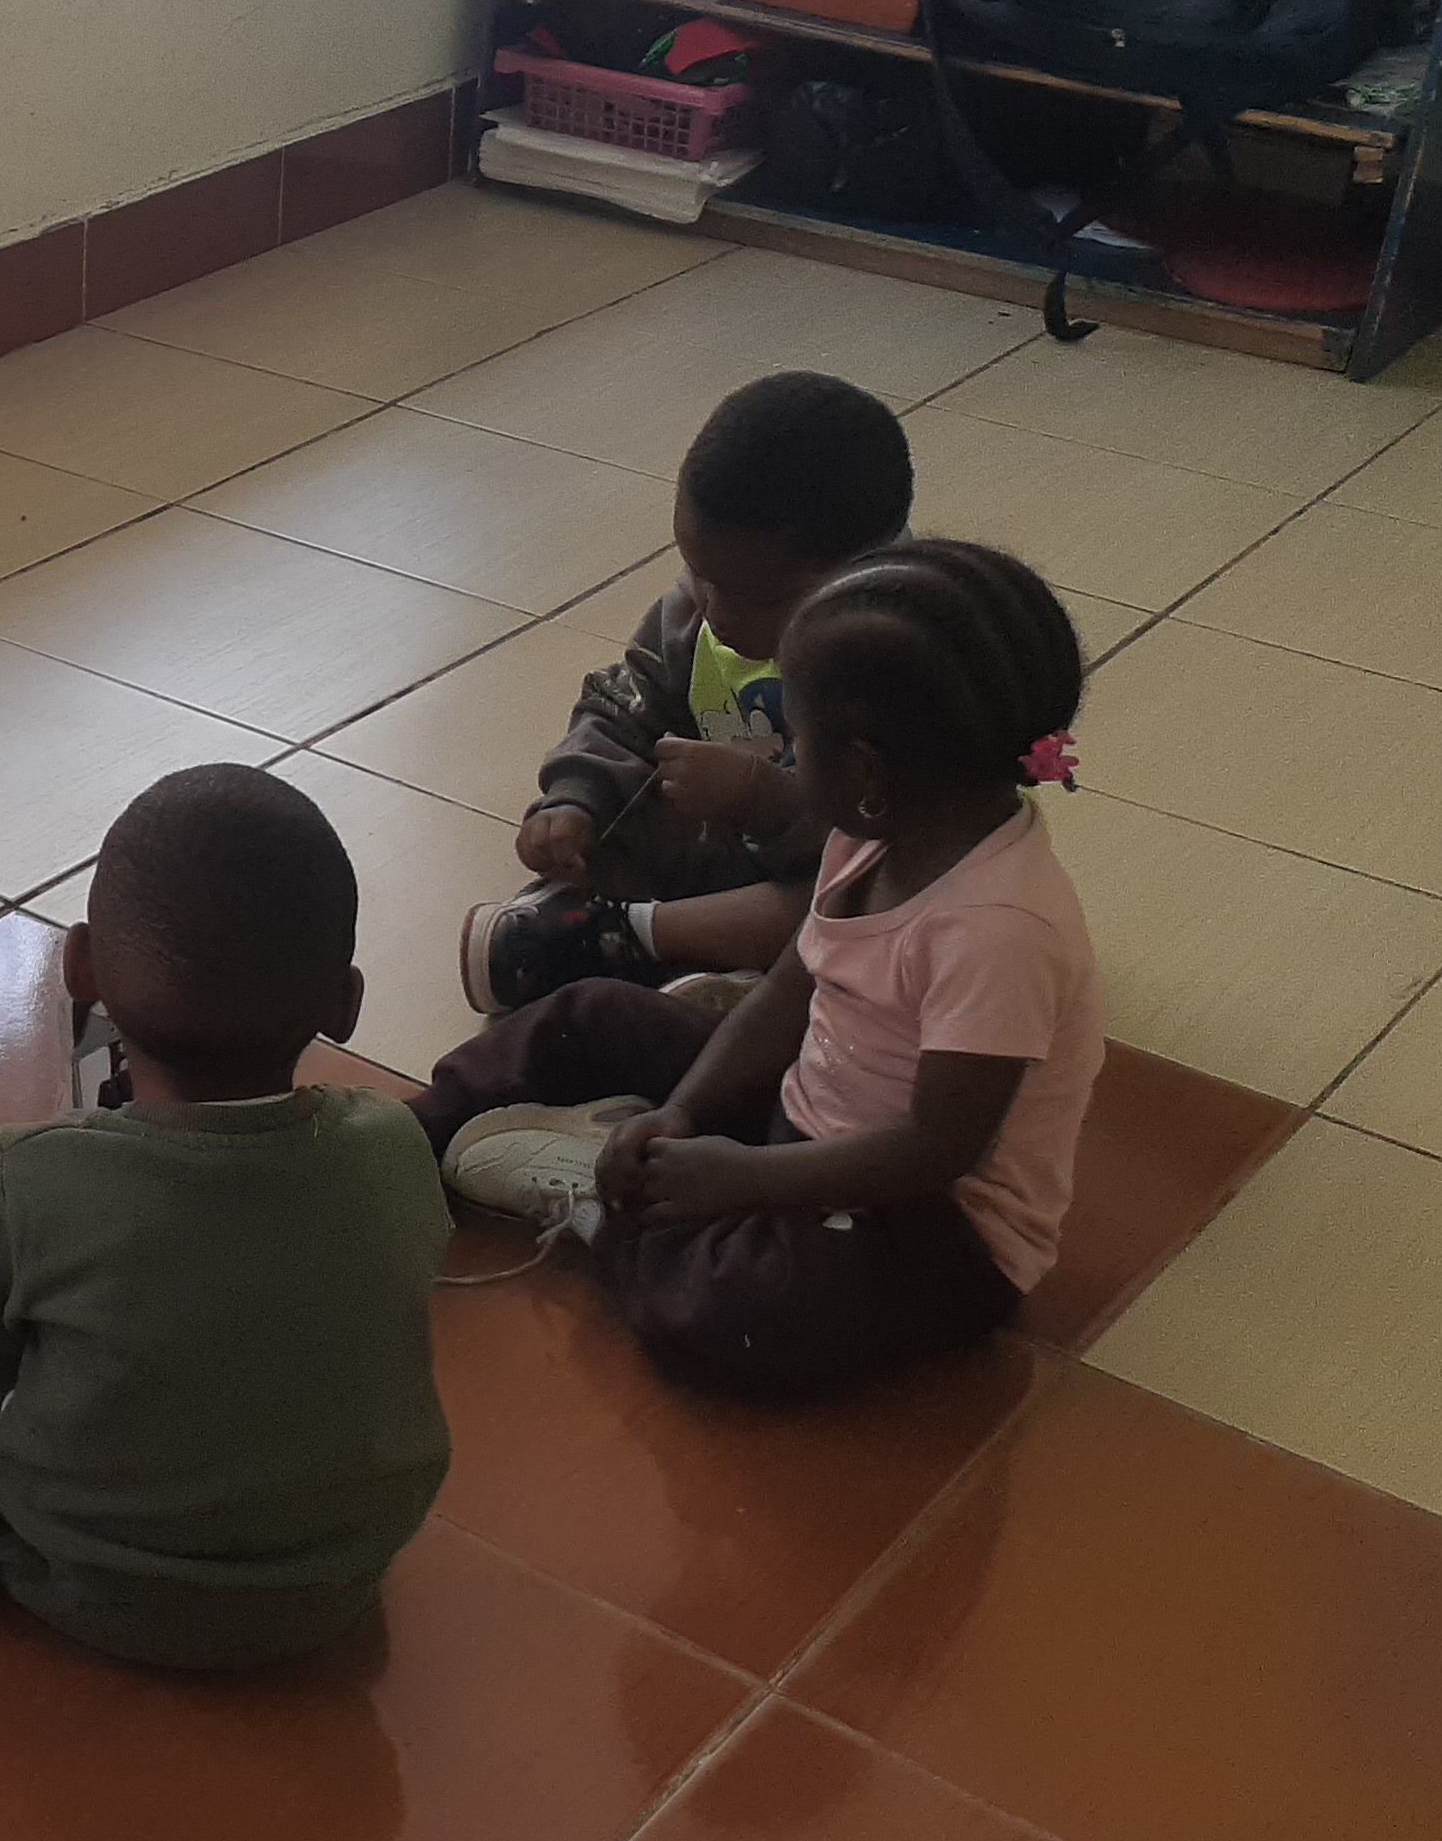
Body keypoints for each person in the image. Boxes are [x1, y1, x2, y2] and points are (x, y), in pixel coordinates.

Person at [0, 765, 452, 1671]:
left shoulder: (37, 1176)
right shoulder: (392, 1148)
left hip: (77, 1579)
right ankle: (127, 1105)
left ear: (80, 968)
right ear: (346, 1004)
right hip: (333, 1577)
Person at [414, 537, 1100, 1402]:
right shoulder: (875, 833)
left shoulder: (998, 932)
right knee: (592, 1012)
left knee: (733, 1311)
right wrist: (685, 1109)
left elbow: (937, 1147)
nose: (783, 760)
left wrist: (736, 1178)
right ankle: (405, 1139)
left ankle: (604, 1205)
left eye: (797, 740)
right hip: (808, 1113)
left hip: (929, 1228)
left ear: (866, 772)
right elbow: (787, 991)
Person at [456, 369, 913, 1016]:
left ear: (865, 575)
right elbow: (623, 707)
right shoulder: (698, 615)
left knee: (874, 898)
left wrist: (765, 800)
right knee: (619, 806)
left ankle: (639, 944)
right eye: (699, 574)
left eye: (758, 599)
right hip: (709, 859)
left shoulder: (902, 663)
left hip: (808, 878)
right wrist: (575, 799)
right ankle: (618, 933)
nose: (716, 613)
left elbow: (898, 829)